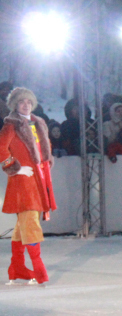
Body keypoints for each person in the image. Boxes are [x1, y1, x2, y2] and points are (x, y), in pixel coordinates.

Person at [1, 87, 56, 285]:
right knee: (31, 220)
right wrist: (16, 169)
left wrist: (47, 160)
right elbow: (1, 149)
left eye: (29, 102)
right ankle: (38, 268)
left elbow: (43, 146)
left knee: (23, 224)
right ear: (15, 104)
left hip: (38, 179)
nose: (26, 105)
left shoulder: (38, 123)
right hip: (23, 181)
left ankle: (17, 268)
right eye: (21, 101)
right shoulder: (11, 126)